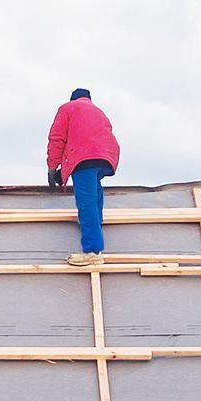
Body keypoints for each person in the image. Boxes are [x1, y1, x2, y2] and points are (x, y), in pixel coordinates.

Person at [45, 88, 121, 267]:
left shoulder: (68, 108)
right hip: (104, 159)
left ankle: (92, 251)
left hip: (83, 159)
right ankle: (96, 231)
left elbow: (57, 138)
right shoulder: (99, 111)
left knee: (86, 204)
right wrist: (63, 172)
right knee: (95, 198)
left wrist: (52, 168)